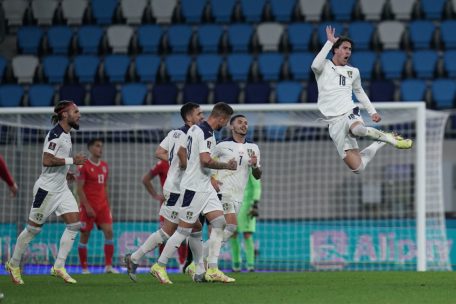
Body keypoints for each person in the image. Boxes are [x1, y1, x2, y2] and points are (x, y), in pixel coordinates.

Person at [150, 102, 236, 284]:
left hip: (205, 185)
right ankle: (160, 265)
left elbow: (183, 152)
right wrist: (226, 165)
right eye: (226, 121)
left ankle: (212, 269)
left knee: (220, 223)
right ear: (221, 118)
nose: (225, 125)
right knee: (183, 231)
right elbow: (205, 161)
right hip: (194, 188)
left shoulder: (196, 129)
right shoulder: (204, 132)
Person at [311, 26, 413, 174]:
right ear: (335, 50)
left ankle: (390, 139)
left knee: (358, 129)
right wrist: (329, 42)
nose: (348, 52)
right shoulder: (324, 67)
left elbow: (360, 92)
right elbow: (314, 65)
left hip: (348, 111)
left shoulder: (353, 72)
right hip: (333, 122)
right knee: (358, 168)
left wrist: (372, 112)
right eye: (345, 48)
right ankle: (379, 142)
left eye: (350, 49)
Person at [5, 100, 87, 285]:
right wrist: (72, 160)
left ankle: (59, 266)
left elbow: (56, 163)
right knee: (33, 229)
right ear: (65, 114)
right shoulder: (55, 135)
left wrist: (67, 174)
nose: (79, 115)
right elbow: (47, 161)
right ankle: (14, 264)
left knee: (75, 224)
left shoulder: (67, 134)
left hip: (61, 189)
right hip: (47, 190)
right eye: (76, 111)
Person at [124, 102, 204, 282]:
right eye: (199, 114)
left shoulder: (174, 133)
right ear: (189, 117)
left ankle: (198, 268)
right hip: (178, 189)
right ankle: (144, 261)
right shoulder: (189, 135)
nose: (202, 117)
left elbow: (159, 152)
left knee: (196, 226)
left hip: (178, 187)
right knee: (169, 231)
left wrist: (174, 160)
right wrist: (183, 162)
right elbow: (183, 161)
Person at [185, 114, 262, 275]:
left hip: (239, 196)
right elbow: (205, 163)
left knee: (224, 231)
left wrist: (255, 166)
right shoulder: (221, 145)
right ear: (231, 126)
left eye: (246, 123)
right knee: (230, 227)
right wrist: (212, 179)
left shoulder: (254, 148)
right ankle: (208, 266)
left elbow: (257, 175)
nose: (244, 125)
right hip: (222, 191)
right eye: (240, 122)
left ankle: (198, 263)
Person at [77, 138, 118, 274]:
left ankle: (108, 266)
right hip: (88, 207)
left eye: (101, 146)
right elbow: (79, 189)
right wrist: (87, 207)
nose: (100, 149)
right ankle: (84, 268)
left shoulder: (105, 166)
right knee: (85, 235)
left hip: (102, 207)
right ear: (90, 148)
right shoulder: (84, 166)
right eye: (97, 146)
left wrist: (108, 205)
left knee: (109, 232)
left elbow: (104, 187)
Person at [230, 171, 261, 272]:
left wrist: (255, 203)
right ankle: (236, 265)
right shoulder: (234, 168)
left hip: (247, 205)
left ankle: (250, 265)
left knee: (247, 234)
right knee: (232, 234)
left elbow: (257, 186)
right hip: (233, 203)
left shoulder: (251, 168)